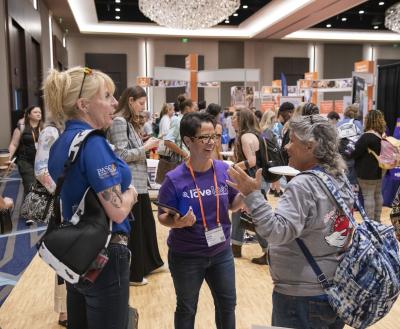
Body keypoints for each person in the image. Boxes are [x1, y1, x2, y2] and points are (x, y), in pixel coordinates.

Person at [227, 115, 353, 329]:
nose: (286, 147)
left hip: (301, 295)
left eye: (292, 141)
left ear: (310, 146)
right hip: (335, 287)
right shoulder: (339, 177)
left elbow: (276, 231)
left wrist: (253, 195)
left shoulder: (304, 184)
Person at [45, 66, 137, 329]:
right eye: (107, 96)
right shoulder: (93, 144)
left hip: (76, 251)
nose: (115, 102)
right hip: (105, 253)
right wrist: (130, 194)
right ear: (84, 104)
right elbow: (118, 211)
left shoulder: (63, 141)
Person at [157, 112, 244, 329]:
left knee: (227, 305)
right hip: (187, 255)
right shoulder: (175, 179)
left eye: (213, 137)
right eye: (204, 137)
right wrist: (179, 223)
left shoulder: (224, 171)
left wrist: (246, 193)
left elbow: (232, 206)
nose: (210, 142)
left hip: (221, 252)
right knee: (187, 308)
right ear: (187, 141)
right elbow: (163, 216)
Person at [108, 86, 164, 286]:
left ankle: (147, 264)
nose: (143, 108)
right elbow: (121, 155)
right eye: (141, 103)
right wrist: (146, 148)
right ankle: (134, 272)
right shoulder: (119, 122)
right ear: (130, 101)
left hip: (138, 182)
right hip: (130, 183)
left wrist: (144, 144)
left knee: (145, 226)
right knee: (135, 230)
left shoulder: (128, 123)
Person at [34, 110, 66, 326]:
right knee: (64, 257)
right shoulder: (51, 131)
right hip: (62, 205)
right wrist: (61, 192)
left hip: (74, 204)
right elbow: (40, 169)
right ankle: (64, 311)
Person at [230, 108, 269, 265]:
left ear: (241, 119)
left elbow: (251, 161)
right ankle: (236, 247)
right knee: (238, 212)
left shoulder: (246, 136)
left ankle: (268, 251)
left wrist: (233, 167)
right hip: (255, 179)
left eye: (234, 117)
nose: (232, 120)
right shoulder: (257, 134)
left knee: (255, 216)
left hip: (251, 180)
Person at [352, 110, 386, 222]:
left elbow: (354, 153)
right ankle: (377, 221)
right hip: (380, 170)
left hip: (366, 172)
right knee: (378, 194)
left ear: (368, 121)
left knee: (368, 196)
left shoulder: (366, 137)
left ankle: (370, 223)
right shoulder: (382, 136)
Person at [8, 106, 43, 198]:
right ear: (29, 115)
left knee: (42, 187)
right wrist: (8, 158)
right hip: (25, 161)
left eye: (40, 112)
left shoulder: (44, 128)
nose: (38, 114)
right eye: (35, 112)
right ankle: (29, 209)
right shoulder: (21, 128)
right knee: (30, 186)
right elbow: (14, 144)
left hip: (41, 162)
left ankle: (39, 209)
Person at [260, 110, 282, 197]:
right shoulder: (268, 131)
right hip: (271, 159)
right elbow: (271, 147)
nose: (276, 120)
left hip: (265, 159)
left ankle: (275, 189)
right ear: (270, 119)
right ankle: (276, 190)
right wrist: (277, 150)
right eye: (274, 118)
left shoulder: (262, 129)